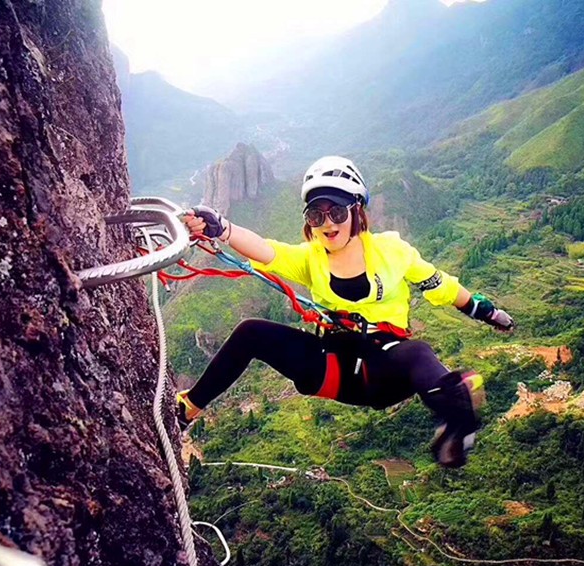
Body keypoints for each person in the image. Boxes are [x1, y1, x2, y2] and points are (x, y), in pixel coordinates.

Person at [176, 156, 514, 468]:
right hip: (334, 367)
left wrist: (486, 311)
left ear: (357, 210)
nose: (327, 223)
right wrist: (221, 227)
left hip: (384, 370)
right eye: (316, 215)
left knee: (417, 352)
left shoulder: (392, 251)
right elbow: (266, 251)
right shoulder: (311, 258)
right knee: (251, 332)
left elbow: (442, 286)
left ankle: (455, 414)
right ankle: (187, 408)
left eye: (337, 212)